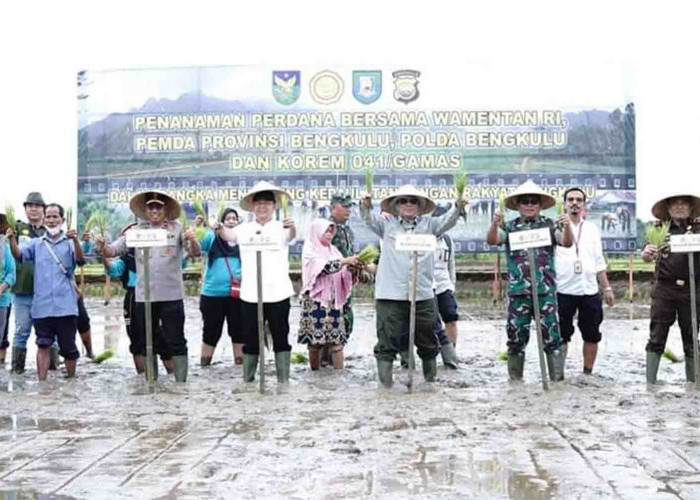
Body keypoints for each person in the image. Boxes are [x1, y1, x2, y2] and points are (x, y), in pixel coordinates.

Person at [361, 184, 466, 388]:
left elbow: (449, 221)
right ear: (396, 205)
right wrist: (365, 206)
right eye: (403, 201)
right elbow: (368, 219)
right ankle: (386, 389)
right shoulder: (386, 225)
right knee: (386, 342)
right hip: (390, 295)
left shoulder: (430, 225)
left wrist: (458, 207)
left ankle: (429, 385)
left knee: (428, 340)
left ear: (419, 206)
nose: (408, 204)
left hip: (422, 293)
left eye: (413, 201)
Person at [96, 191, 201, 382]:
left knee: (176, 340)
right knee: (146, 341)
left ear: (165, 209)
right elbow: (113, 250)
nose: (154, 210)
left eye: (158, 206)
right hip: (144, 296)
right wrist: (102, 246)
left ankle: (180, 385)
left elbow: (194, 253)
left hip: (171, 295)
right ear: (145, 210)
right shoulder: (134, 232)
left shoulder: (177, 229)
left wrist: (192, 239)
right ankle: (151, 383)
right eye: (150, 207)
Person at [486, 180, 572, 382]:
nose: (529, 205)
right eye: (525, 201)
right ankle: (515, 382)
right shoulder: (509, 227)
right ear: (517, 204)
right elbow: (492, 240)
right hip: (518, 293)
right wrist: (494, 224)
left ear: (541, 204)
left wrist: (567, 226)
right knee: (516, 338)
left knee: (552, 337)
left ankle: (556, 381)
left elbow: (566, 242)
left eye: (534, 201)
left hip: (545, 292)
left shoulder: (550, 225)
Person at [219, 181, 296, 384]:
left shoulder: (282, 227)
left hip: (278, 291)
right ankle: (248, 379)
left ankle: (283, 380)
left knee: (281, 336)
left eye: (267, 203)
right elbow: (229, 235)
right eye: (258, 203)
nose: (262, 207)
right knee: (251, 338)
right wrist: (219, 228)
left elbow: (291, 236)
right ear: (252, 207)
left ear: (274, 206)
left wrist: (292, 227)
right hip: (251, 293)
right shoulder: (244, 229)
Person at [16, 204, 84, 380]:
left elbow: (81, 260)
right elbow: (20, 256)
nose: (52, 220)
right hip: (42, 305)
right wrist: (10, 241)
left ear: (62, 220)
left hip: (66, 306)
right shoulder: (36, 244)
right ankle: (42, 384)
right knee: (43, 345)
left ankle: (71, 381)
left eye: (55, 217)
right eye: (49, 217)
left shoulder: (70, 242)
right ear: (44, 219)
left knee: (68, 347)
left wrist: (76, 241)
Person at [554, 187, 614, 376]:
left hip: (589, 290)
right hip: (563, 289)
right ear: (564, 204)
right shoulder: (554, 227)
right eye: (570, 199)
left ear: (584, 205)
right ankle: (558, 375)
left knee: (592, 334)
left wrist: (606, 287)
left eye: (578, 200)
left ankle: (587, 373)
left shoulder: (592, 229)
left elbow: (598, 260)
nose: (574, 203)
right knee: (561, 335)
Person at [641, 193, 700, 383]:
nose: (680, 207)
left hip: (692, 289)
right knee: (657, 336)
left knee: (691, 339)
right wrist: (647, 253)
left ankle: (693, 385)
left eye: (684, 204)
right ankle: (650, 385)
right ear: (668, 208)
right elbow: (646, 254)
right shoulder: (659, 229)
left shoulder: (698, 229)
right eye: (676, 203)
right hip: (664, 290)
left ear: (691, 208)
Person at [5, 192, 60, 373]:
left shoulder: (51, 231)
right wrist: (10, 235)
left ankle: (52, 372)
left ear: (44, 210)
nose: (33, 209)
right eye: (30, 206)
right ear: (25, 209)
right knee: (21, 332)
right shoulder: (17, 228)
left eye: (37, 206)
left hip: (47, 292)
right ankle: (17, 372)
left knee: (50, 334)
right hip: (22, 290)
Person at [298, 218, 360, 370]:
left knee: (337, 340)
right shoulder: (310, 249)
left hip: (333, 301)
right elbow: (325, 268)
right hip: (314, 302)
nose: (329, 234)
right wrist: (346, 262)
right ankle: (314, 373)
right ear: (317, 231)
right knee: (314, 341)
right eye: (326, 230)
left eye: (331, 231)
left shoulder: (334, 251)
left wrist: (353, 269)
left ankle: (339, 376)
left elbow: (342, 272)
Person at [198, 208, 244, 367]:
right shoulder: (212, 237)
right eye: (228, 218)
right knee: (211, 331)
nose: (231, 221)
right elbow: (198, 248)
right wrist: (201, 229)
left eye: (234, 218)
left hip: (238, 294)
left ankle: (240, 365)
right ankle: (204, 365)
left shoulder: (242, 238)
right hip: (212, 294)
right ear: (222, 222)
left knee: (239, 331)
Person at [0, 213, 17, 366]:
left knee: (1, 335)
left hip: (2, 300)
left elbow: (12, 273)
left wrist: (2, 287)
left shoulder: (4, 247)